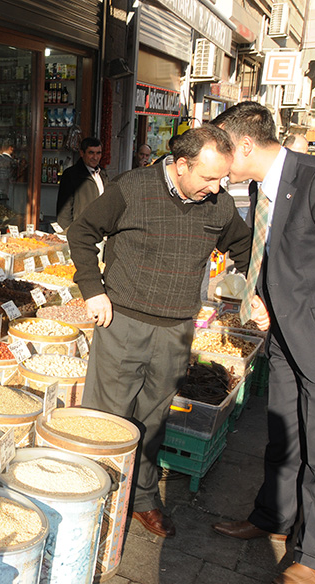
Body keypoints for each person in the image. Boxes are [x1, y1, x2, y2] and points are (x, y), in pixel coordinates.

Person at [67, 125, 252, 538]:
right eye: (208, 177)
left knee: (153, 421)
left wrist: (256, 289)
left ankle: (143, 499)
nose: (216, 186)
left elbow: (244, 246)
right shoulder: (132, 187)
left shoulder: (218, 206)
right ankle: (96, 500)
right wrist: (93, 290)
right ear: (182, 164)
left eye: (221, 178)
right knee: (106, 418)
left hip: (176, 329)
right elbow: (81, 232)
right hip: (123, 322)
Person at [210, 102, 315, 584]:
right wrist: (261, 295)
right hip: (281, 335)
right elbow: (271, 252)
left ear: (244, 146)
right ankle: (272, 518)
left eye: (221, 150)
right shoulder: (259, 185)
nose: (215, 161)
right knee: (283, 435)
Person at [56, 137, 108, 230]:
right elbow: (64, 211)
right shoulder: (71, 175)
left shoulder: (102, 174)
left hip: (100, 230)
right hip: (81, 232)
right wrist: (69, 233)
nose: (95, 157)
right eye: (91, 153)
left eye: (98, 153)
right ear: (82, 153)